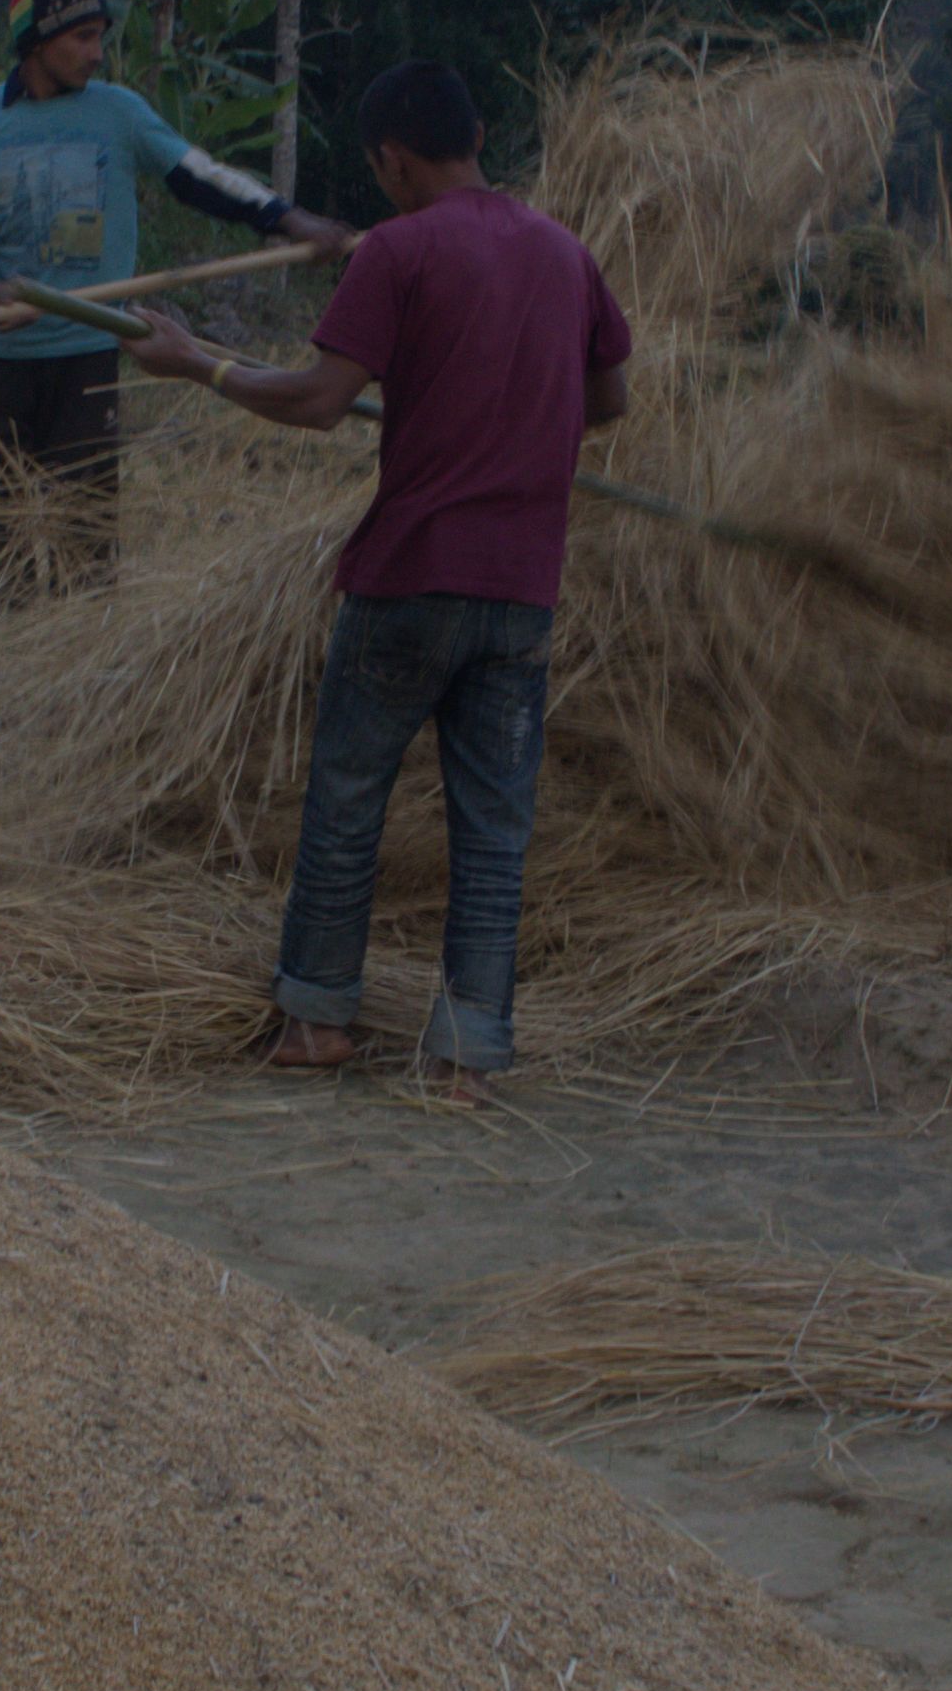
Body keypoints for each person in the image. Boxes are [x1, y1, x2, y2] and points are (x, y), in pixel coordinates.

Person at [121, 59, 629, 1096]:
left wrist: (198, 362)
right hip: (522, 589)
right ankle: (468, 1056)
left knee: (349, 794)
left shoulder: (399, 249)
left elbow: (315, 399)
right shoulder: (566, 254)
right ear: (476, 130)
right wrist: (517, 404)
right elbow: (609, 396)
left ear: (392, 158)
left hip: (408, 579)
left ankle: (315, 1020)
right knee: (493, 828)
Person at [0, 0, 343, 600]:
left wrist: (288, 220)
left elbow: (199, 175)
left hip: (90, 356)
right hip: (0, 365)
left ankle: (80, 672)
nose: (98, 53)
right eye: (84, 37)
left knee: (85, 552)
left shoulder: (119, 114)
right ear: (38, 41)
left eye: (101, 36)